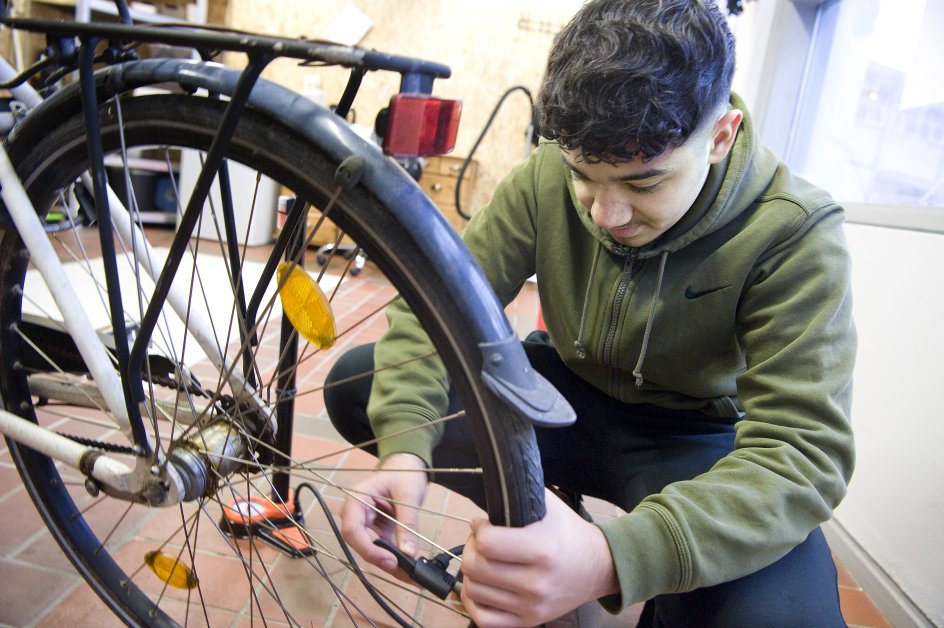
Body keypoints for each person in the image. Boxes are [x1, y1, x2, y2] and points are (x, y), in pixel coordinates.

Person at [324, 0, 856, 625]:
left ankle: (638, 574)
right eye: (583, 177)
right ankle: (541, 519)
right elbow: (436, 308)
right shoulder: (545, 176)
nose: (605, 215)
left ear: (720, 137)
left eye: (644, 185)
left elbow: (802, 453)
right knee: (361, 384)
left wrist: (615, 557)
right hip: (559, 402)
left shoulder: (794, 231)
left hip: (691, 435)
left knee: (785, 620)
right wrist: (406, 451)